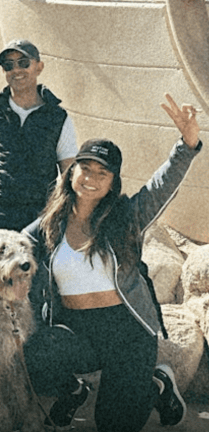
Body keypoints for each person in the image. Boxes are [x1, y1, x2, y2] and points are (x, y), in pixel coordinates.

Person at [21, 94, 201, 432]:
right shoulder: (49, 224)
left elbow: (160, 187)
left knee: (113, 425)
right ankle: (73, 392)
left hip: (127, 331)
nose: (91, 178)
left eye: (102, 173)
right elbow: (12, 247)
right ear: (71, 172)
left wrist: (187, 144)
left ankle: (156, 385)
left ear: (112, 182)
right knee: (35, 353)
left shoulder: (126, 218)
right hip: (77, 329)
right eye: (85, 168)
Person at [0, 39, 78, 244]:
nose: (16, 70)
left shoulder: (58, 118)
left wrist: (61, 214)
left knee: (32, 262)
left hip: (37, 210)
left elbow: (69, 173)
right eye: (9, 65)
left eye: (23, 63)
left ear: (39, 67)